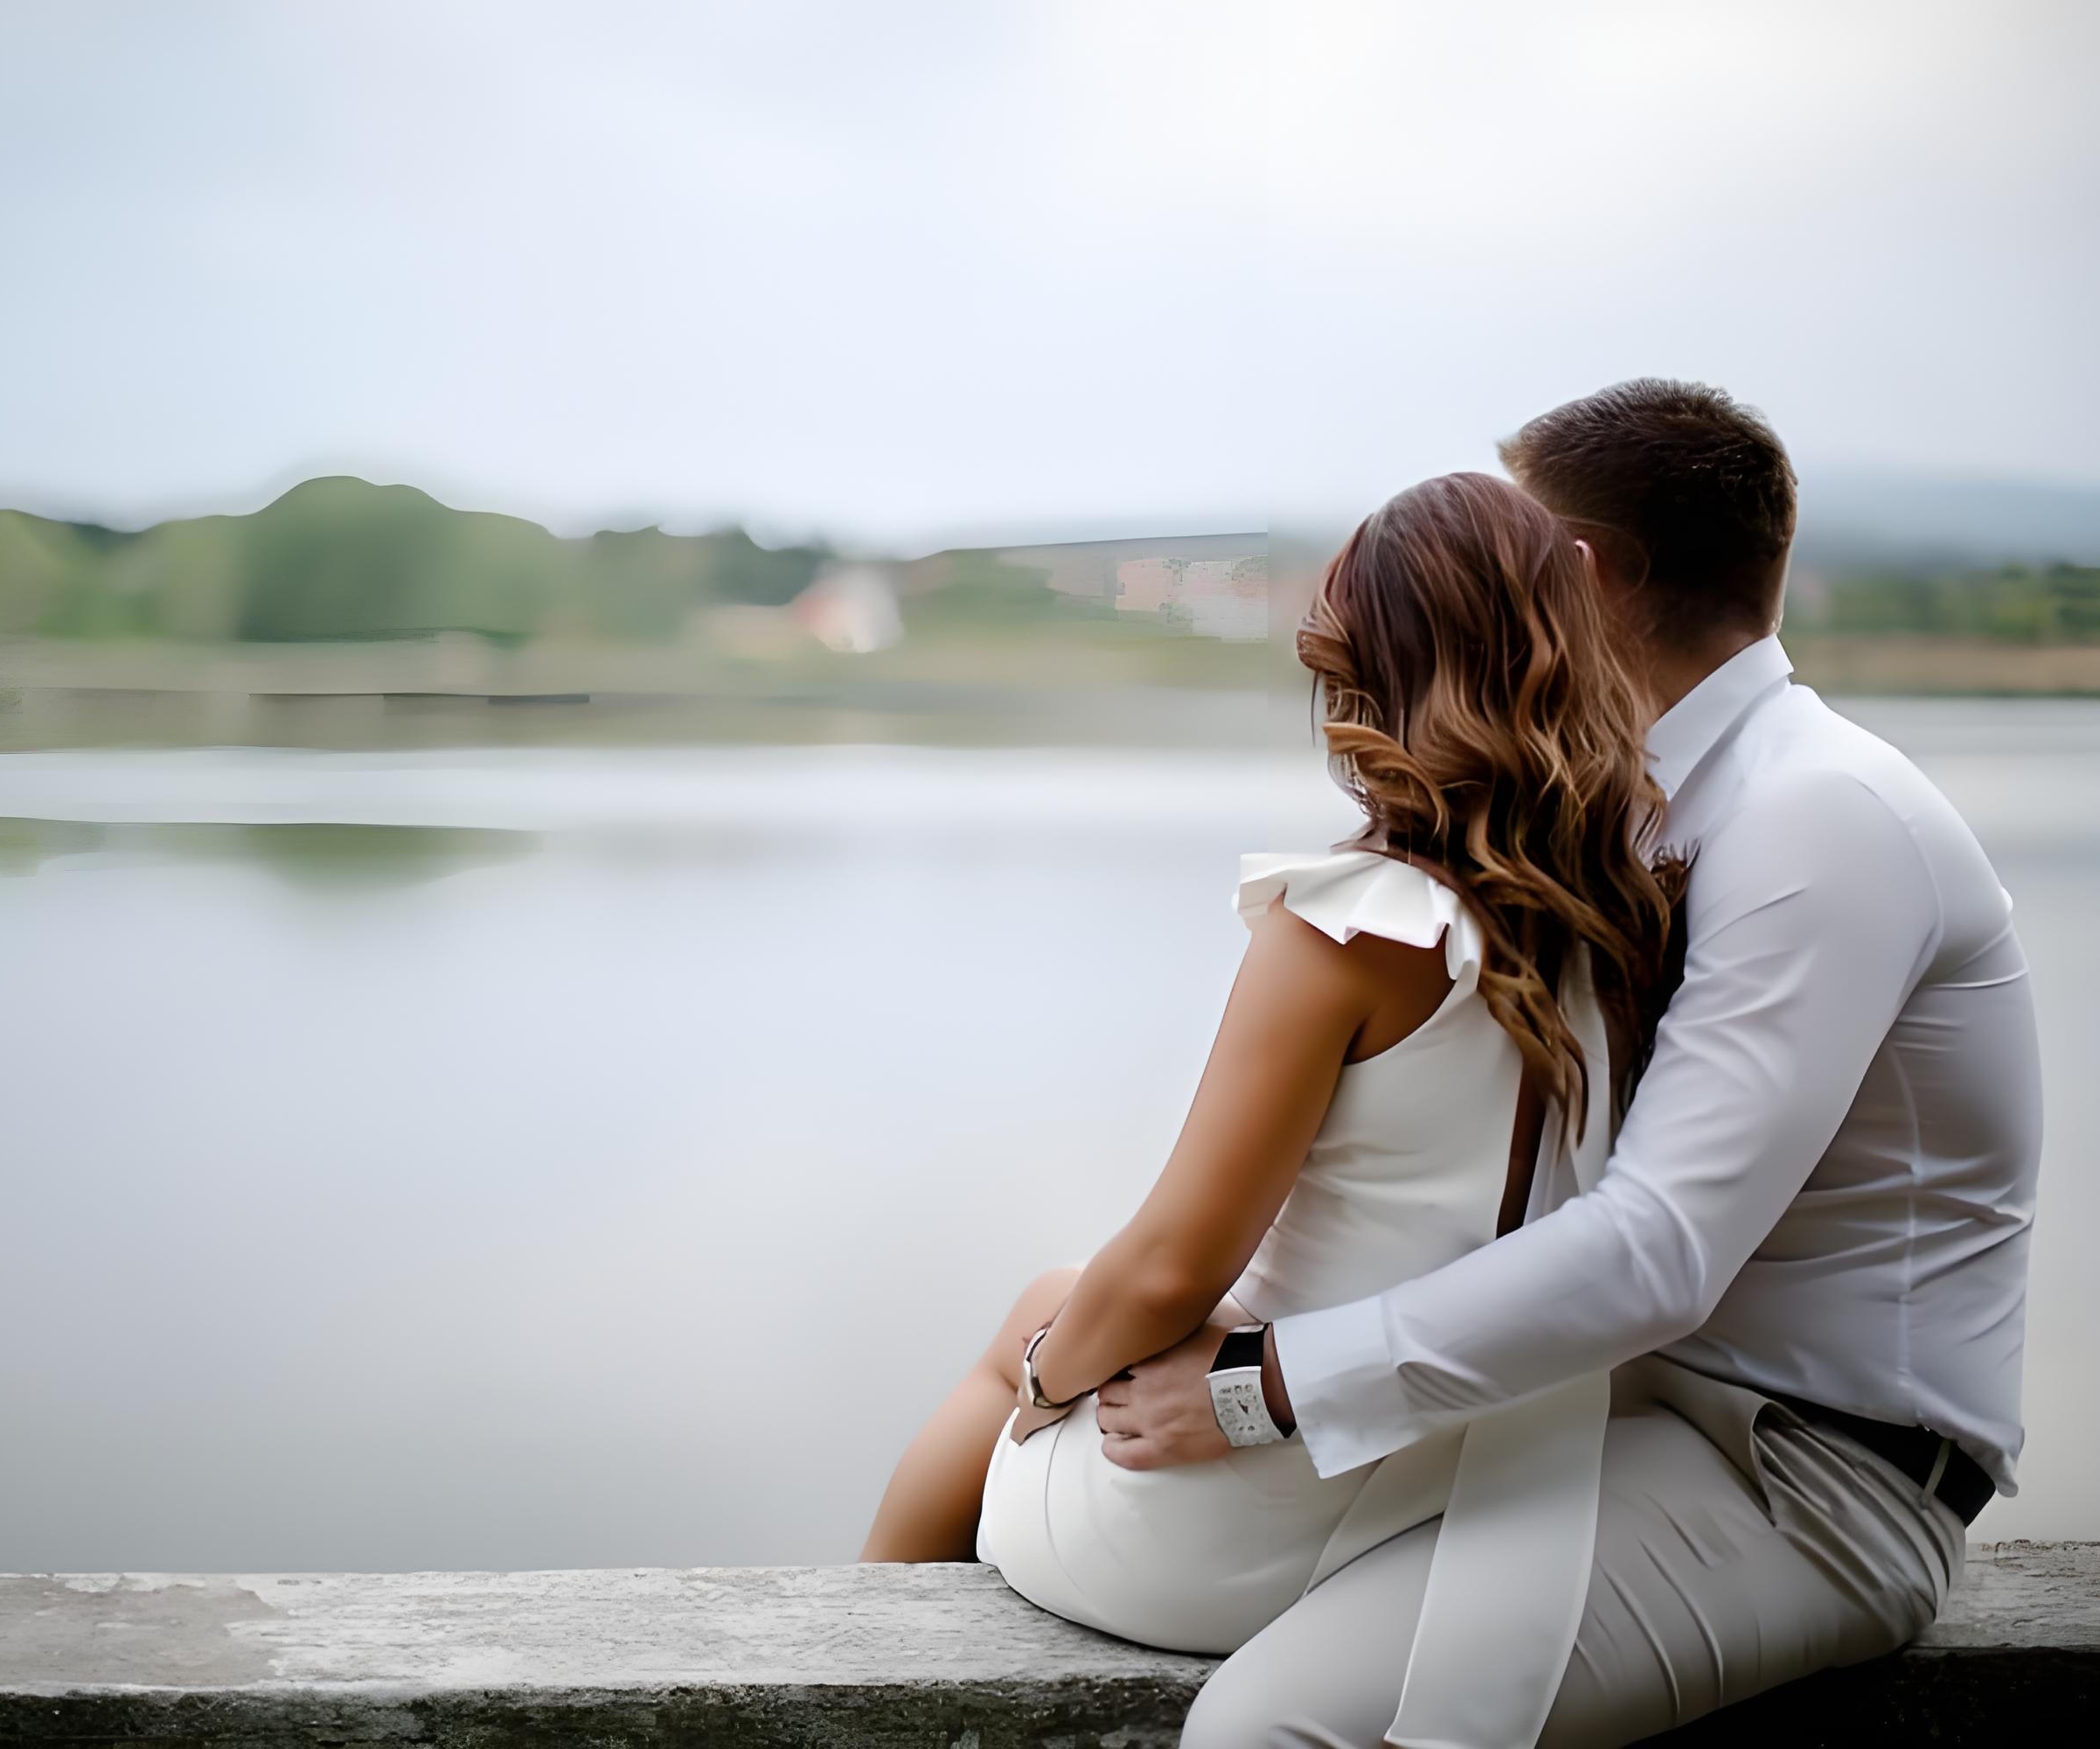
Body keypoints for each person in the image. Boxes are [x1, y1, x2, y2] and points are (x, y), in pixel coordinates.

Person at [1054, 381, 2040, 1747]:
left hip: (1806, 1471)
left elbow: (1659, 1250)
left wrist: (1263, 1385)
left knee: (1268, 1729)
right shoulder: (1622, 810)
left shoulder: (1821, 817)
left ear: (1576, 572)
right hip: (1617, 1403)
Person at [861, 465, 1693, 1742]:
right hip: (1464, 1501)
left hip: (1228, 1529)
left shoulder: (1351, 927)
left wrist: (1044, 1386)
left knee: (1043, 1315)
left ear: (1367, 670)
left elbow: (1173, 1268)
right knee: (1066, 1297)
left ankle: (855, 1659)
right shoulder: (1640, 918)